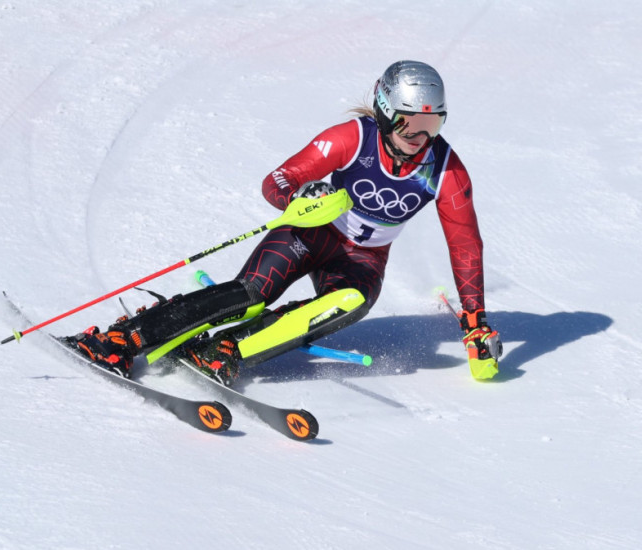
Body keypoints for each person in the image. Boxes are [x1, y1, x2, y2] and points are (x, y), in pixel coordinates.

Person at [69, 60, 503, 384]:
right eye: (410, 123)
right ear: (385, 112)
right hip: (311, 233)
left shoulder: (444, 169)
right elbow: (278, 180)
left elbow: (465, 244)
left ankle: (227, 349)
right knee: (253, 293)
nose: (420, 137)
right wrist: (299, 195)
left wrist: (475, 319)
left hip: (362, 260)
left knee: (350, 303)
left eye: (432, 123)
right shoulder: (352, 138)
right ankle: (125, 337)